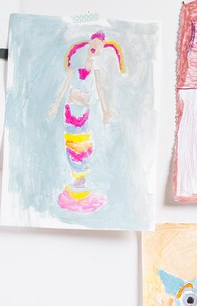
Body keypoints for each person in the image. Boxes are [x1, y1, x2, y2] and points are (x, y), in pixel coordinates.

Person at [48, 32, 125, 213]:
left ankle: (80, 181)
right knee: (72, 144)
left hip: (83, 112)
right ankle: (77, 180)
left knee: (83, 146)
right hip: (70, 112)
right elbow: (64, 89)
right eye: (93, 46)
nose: (93, 51)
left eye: (98, 49)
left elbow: (100, 91)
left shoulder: (95, 73)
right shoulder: (74, 70)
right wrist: (55, 105)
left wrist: (106, 110)